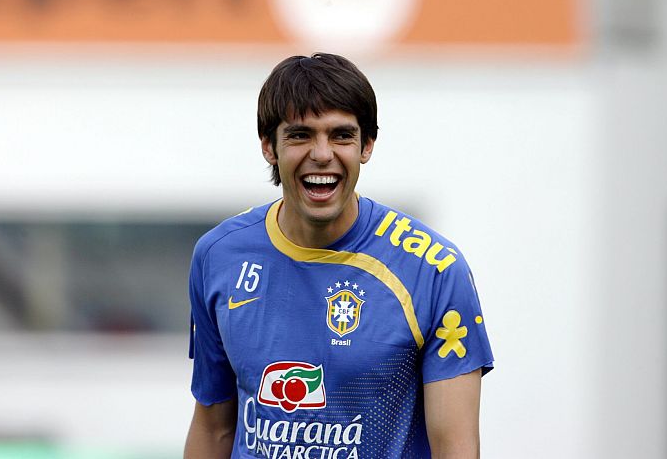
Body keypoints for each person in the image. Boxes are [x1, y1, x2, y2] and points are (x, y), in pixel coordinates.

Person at [184, 53, 494, 459]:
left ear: (366, 145)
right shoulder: (218, 255)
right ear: (268, 147)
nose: (322, 154)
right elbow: (214, 428)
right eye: (300, 135)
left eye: (341, 135)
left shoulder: (434, 270)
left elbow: (456, 449)